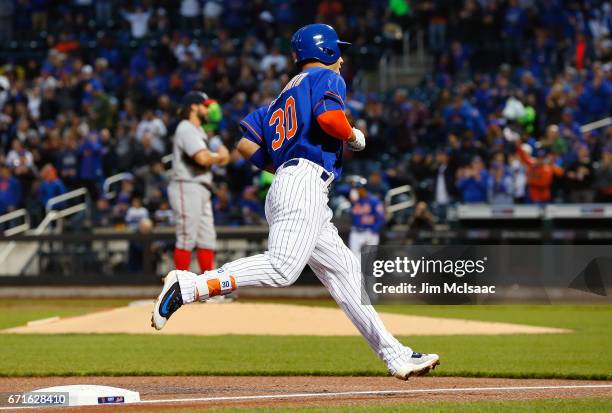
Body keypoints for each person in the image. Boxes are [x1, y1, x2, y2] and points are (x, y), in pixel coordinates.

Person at [152, 24, 439, 380]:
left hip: (295, 183)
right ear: (328, 52)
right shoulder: (327, 79)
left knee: (346, 271)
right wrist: (353, 135)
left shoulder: (281, 98)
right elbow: (329, 118)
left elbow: (245, 144)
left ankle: (395, 355)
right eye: (339, 51)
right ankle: (191, 286)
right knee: (283, 268)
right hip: (304, 182)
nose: (343, 59)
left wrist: (283, 163)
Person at [168, 91, 230, 273]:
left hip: (201, 185)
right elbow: (203, 158)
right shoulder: (186, 127)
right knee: (187, 237)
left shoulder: (200, 131)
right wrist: (219, 156)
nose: (208, 109)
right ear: (193, 107)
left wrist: (217, 155)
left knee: (206, 238)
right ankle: (178, 287)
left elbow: (219, 158)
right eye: (205, 105)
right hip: (186, 185)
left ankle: (206, 290)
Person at [348, 177, 384, 260]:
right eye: (356, 188)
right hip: (356, 232)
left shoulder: (374, 200)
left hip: (370, 232)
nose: (357, 190)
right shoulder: (355, 201)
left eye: (358, 188)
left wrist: (374, 230)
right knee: (354, 259)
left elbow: (381, 217)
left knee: (368, 261)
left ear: (364, 189)